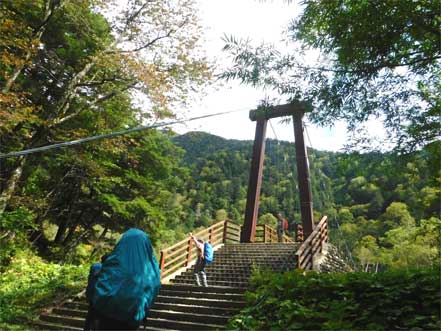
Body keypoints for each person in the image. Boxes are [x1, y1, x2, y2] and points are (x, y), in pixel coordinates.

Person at [91, 228, 161, 330]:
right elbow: (153, 291)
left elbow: (100, 288)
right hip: (132, 320)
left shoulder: (113, 263)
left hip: (106, 317)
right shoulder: (152, 272)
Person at [84, 254, 108, 331]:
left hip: (93, 294)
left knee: (92, 314)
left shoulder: (97, 266)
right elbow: (96, 274)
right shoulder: (98, 266)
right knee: (95, 315)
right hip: (95, 295)